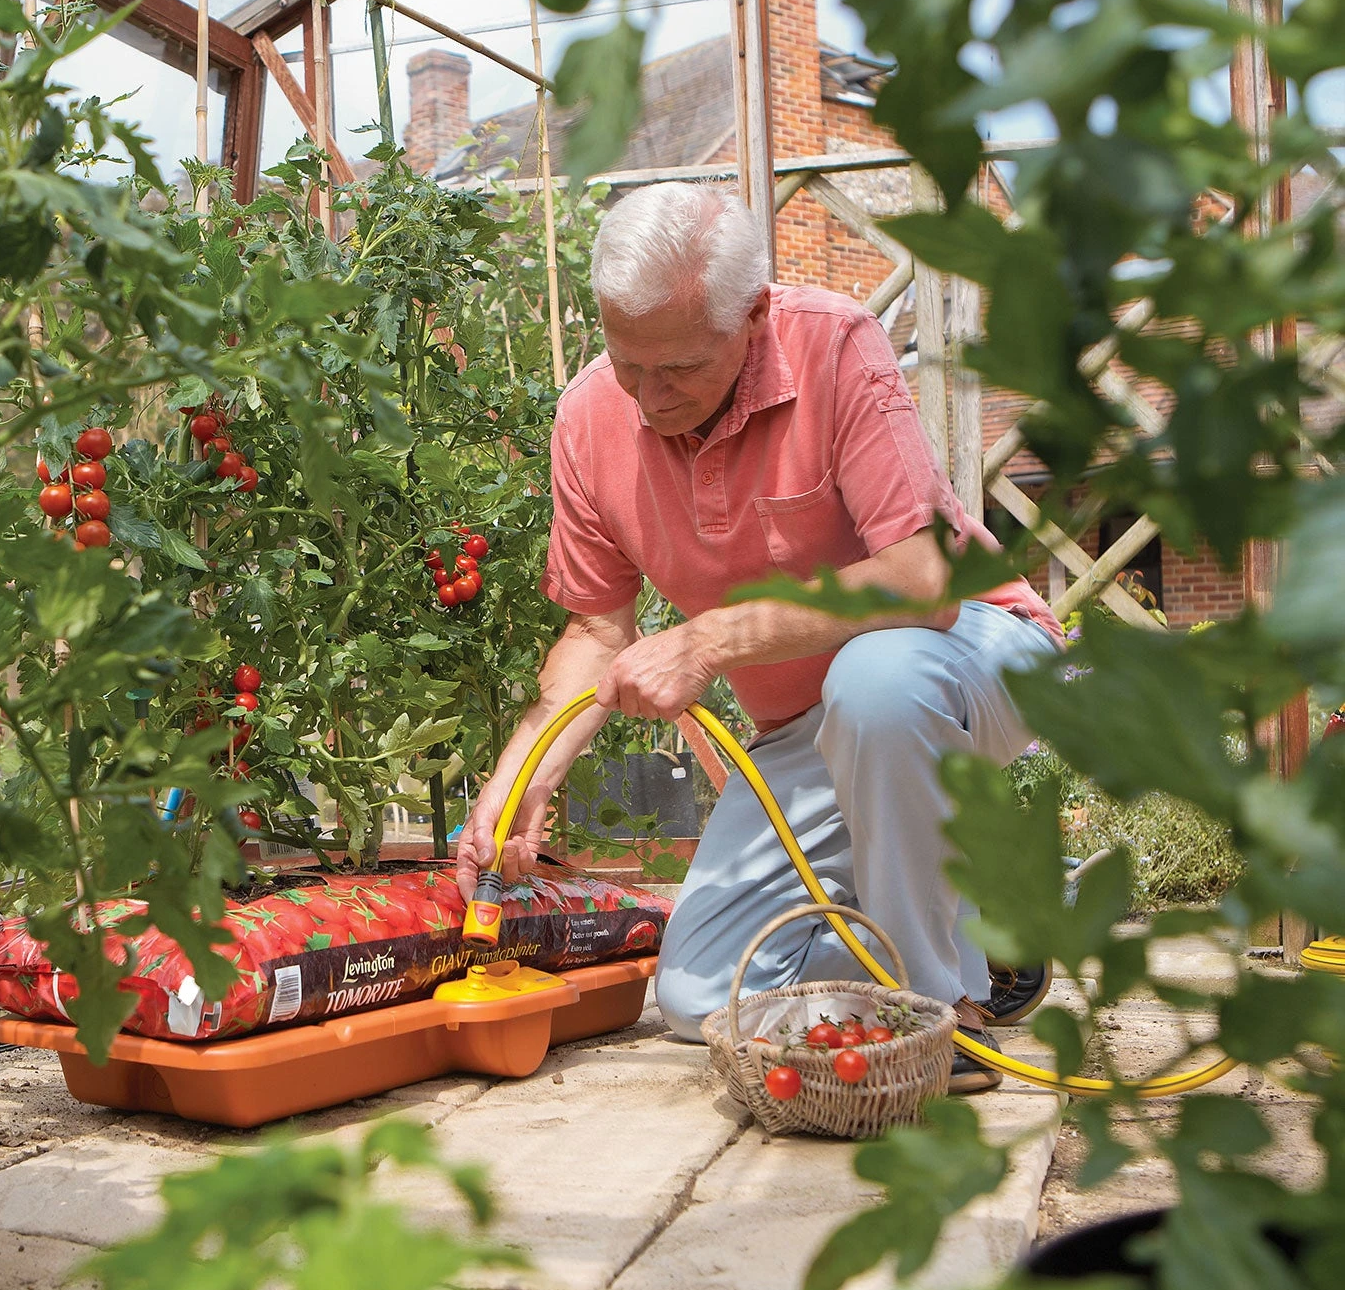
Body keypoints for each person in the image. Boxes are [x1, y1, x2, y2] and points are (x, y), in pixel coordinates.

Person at [455, 182, 1062, 1093]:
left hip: (972, 654)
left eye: (682, 368)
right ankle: (979, 930)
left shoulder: (834, 346)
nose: (651, 397)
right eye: (630, 364)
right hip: (810, 732)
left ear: (753, 315)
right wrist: (519, 782)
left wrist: (707, 642)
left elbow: (921, 583)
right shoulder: (589, 419)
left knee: (880, 678)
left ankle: (946, 1020)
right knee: (704, 996)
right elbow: (595, 629)